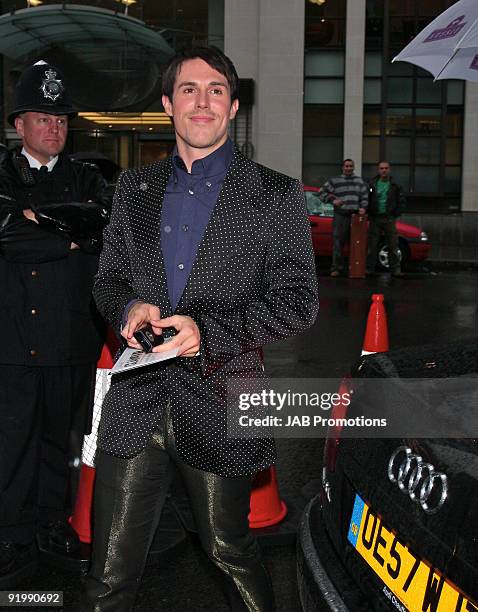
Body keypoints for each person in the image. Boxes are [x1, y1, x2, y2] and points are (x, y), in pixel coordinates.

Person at [82, 45, 319, 612]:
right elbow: (107, 279)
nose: (203, 101)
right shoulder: (133, 190)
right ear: (168, 104)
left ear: (233, 107)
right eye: (189, 89)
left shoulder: (276, 194)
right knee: (108, 574)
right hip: (136, 397)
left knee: (230, 550)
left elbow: (298, 302)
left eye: (216, 90)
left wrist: (205, 331)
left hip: (220, 396)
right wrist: (128, 308)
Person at [0, 61, 110, 587]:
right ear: (18, 124)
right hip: (14, 338)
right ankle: (11, 535)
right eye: (43, 118)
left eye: (62, 119)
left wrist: (35, 221)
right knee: (11, 443)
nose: (55, 128)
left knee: (60, 442)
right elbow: (6, 236)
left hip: (70, 336)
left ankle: (51, 526)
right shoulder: (1, 175)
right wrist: (65, 231)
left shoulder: (88, 177)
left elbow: (102, 229)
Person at [320, 159, 368, 277]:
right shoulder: (335, 180)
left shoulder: (359, 181)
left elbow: (365, 196)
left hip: (355, 216)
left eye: (351, 166)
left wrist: (363, 208)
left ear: (353, 167)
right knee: (338, 244)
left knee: (356, 245)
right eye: (346, 166)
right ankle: (336, 269)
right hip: (340, 215)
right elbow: (321, 192)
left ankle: (354, 269)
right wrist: (333, 200)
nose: (348, 168)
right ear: (343, 167)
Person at [366, 160, 406, 277]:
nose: (384, 170)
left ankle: (395, 270)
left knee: (393, 245)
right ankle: (369, 269)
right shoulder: (372, 184)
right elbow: (367, 198)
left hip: (389, 218)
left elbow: (402, 201)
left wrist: (396, 213)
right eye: (382, 168)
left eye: (386, 168)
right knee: (372, 246)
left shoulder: (395, 185)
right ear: (378, 170)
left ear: (389, 170)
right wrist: (368, 212)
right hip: (375, 218)